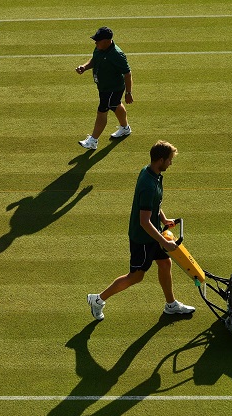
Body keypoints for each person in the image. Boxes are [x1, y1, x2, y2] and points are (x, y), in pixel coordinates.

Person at [87, 141, 195, 320]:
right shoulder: (148, 184)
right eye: (169, 160)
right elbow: (144, 221)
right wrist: (164, 241)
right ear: (160, 160)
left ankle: (171, 305)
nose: (171, 163)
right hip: (143, 239)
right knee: (136, 277)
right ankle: (98, 299)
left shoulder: (151, 172)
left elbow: (154, 204)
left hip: (153, 234)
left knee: (165, 263)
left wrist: (163, 219)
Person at [75, 26, 133, 150]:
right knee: (116, 105)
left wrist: (128, 92)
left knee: (102, 111)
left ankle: (93, 141)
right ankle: (125, 128)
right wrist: (84, 67)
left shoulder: (117, 54)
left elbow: (127, 73)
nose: (95, 42)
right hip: (103, 87)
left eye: (98, 40)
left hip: (112, 89)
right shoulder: (99, 48)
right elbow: (94, 60)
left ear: (107, 41)